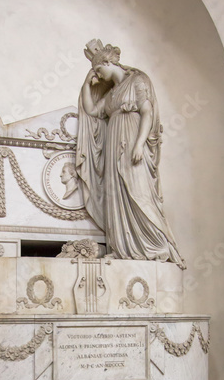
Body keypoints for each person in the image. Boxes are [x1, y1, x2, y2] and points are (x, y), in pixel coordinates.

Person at [75, 39, 186, 268]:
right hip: (114, 146)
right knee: (117, 194)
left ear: (108, 61)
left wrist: (139, 144)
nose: (98, 75)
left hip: (133, 143)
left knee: (139, 191)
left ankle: (157, 244)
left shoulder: (138, 80)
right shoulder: (113, 94)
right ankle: (123, 248)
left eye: (98, 69)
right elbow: (92, 110)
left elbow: (147, 112)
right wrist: (87, 85)